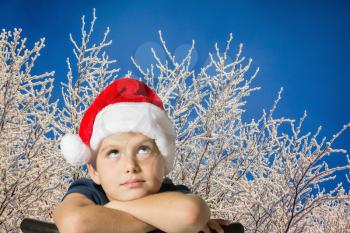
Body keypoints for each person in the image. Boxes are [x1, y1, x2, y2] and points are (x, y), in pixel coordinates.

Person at [53, 77, 229, 233]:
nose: (130, 166)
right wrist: (163, 222)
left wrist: (114, 209)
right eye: (113, 152)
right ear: (94, 171)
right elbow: (75, 223)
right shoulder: (89, 192)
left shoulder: (171, 192)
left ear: (164, 160)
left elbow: (190, 213)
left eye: (143, 150)